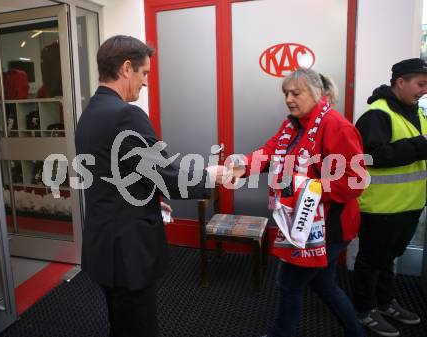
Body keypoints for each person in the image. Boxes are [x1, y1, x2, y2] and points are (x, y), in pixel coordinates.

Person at [75, 35, 229, 337]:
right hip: (127, 250)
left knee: (120, 323)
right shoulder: (126, 115)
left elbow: (111, 173)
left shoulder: (90, 113)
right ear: (127, 68)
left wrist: (146, 198)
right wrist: (210, 175)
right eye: (144, 73)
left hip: (104, 243)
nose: (146, 82)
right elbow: (166, 175)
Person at [232, 68, 366, 337]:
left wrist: (306, 188)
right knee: (324, 286)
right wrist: (243, 166)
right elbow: (270, 151)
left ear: (317, 94)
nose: (289, 99)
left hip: (329, 227)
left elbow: (355, 180)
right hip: (303, 224)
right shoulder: (293, 123)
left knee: (288, 283)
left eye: (296, 93)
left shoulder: (337, 126)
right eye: (285, 94)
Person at [353, 58, 427, 337]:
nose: (424, 91)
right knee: (371, 261)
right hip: (381, 206)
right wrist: (421, 146)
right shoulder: (377, 114)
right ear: (400, 82)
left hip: (410, 203)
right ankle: (364, 309)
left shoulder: (416, 112)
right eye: (420, 84)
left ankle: (384, 303)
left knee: (389, 259)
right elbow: (372, 156)